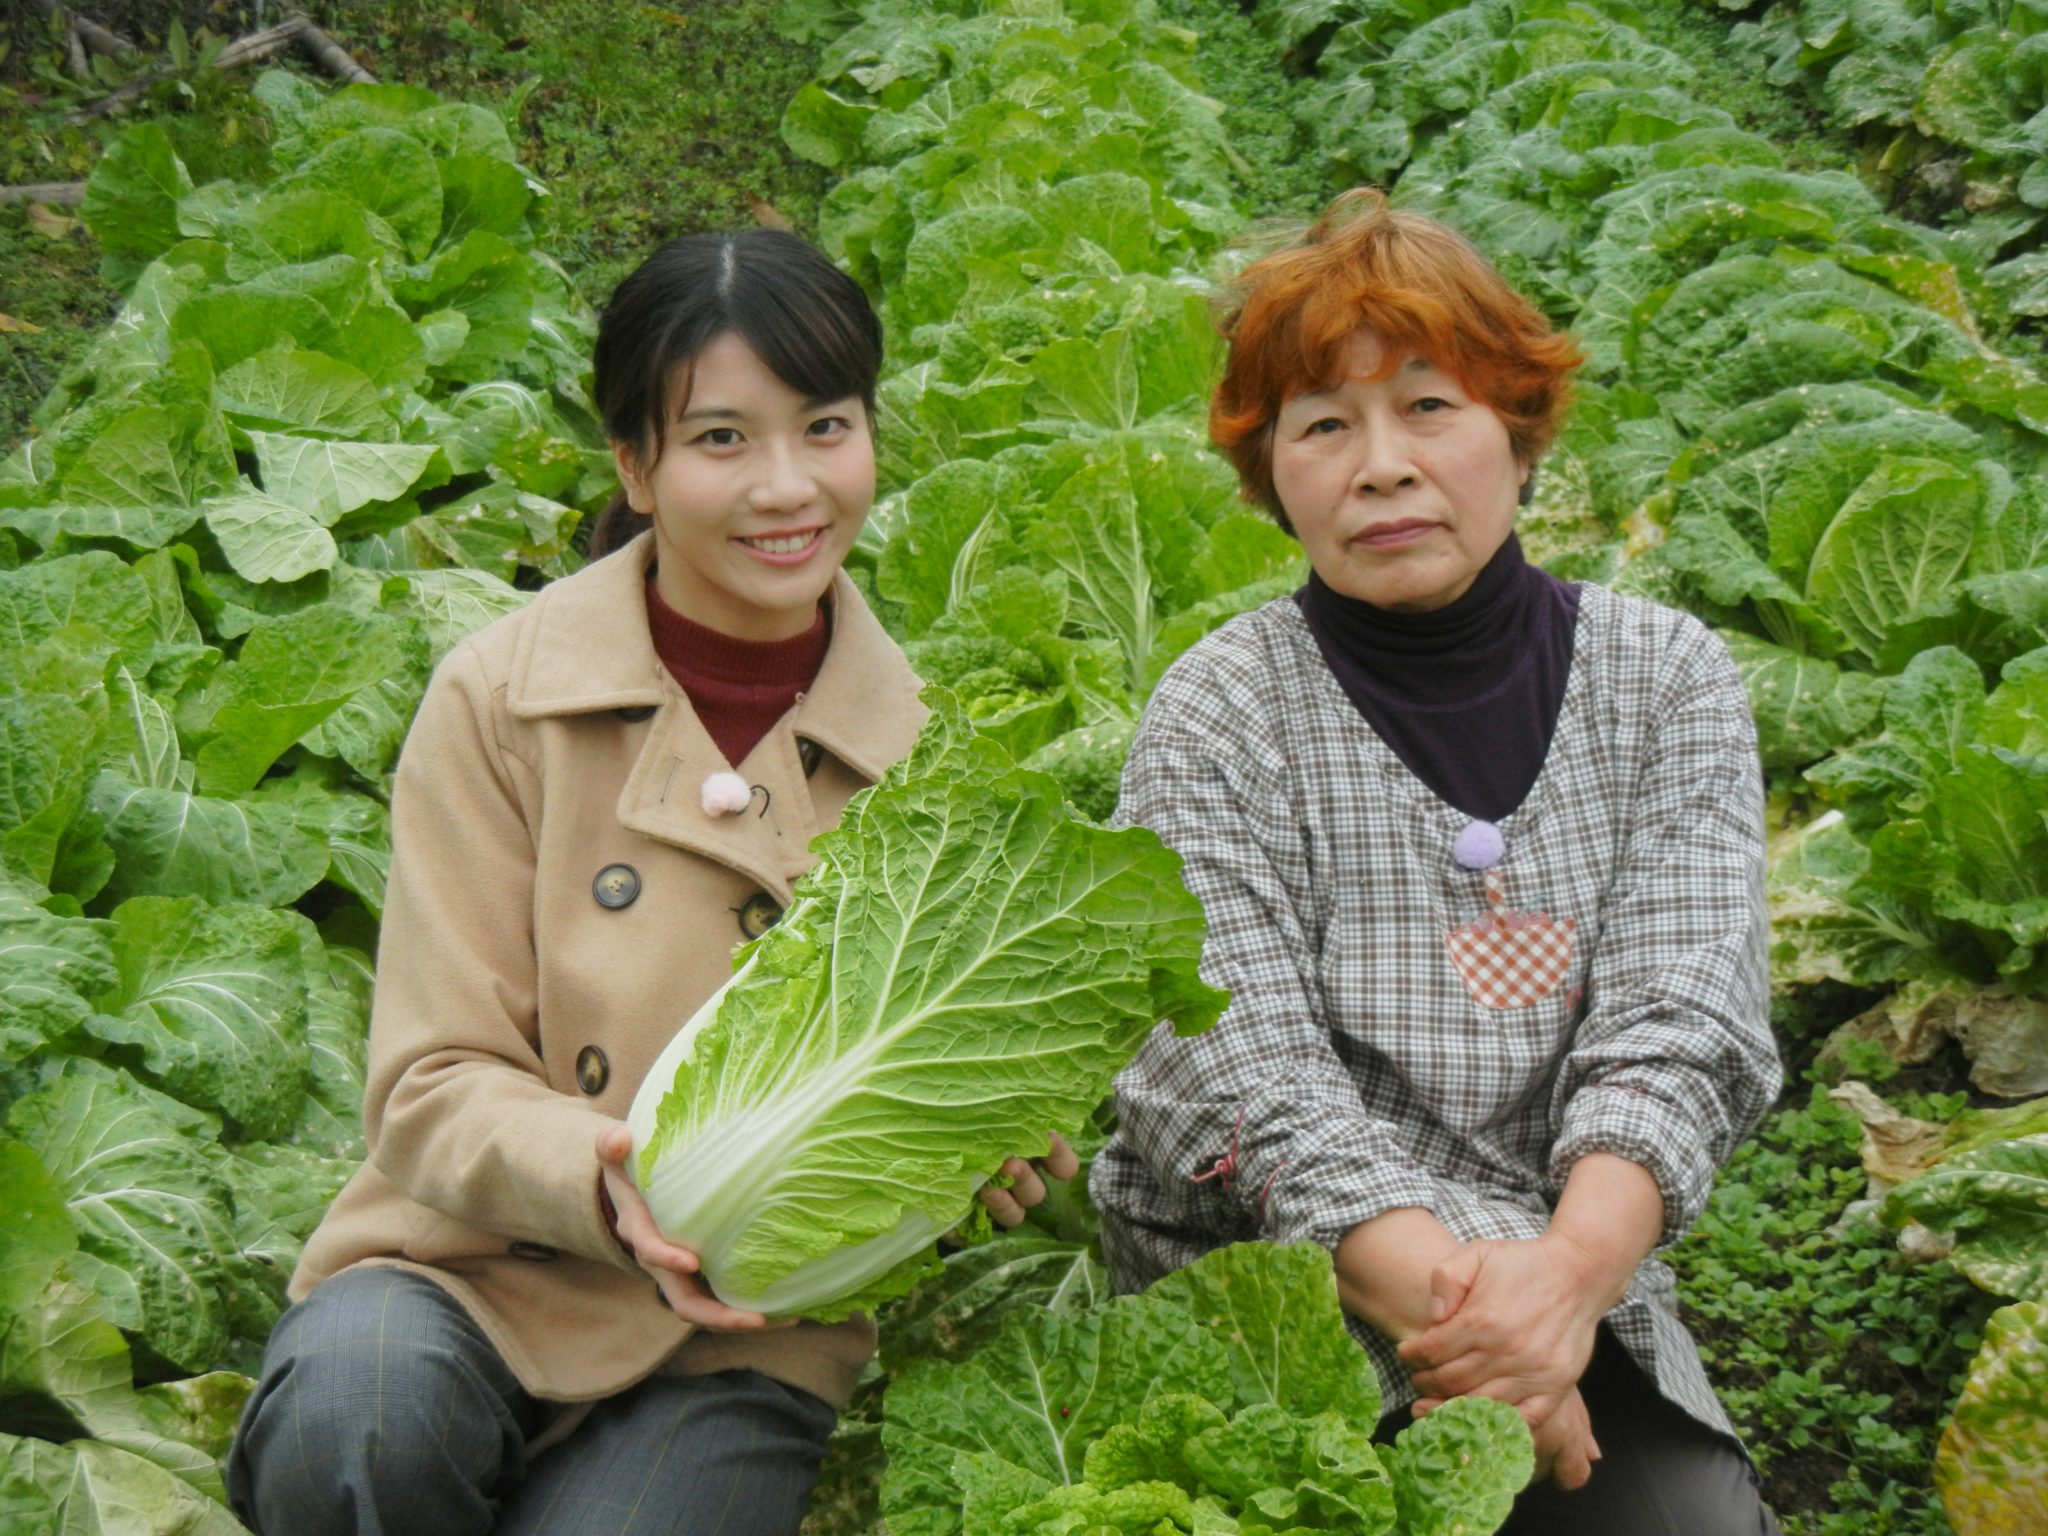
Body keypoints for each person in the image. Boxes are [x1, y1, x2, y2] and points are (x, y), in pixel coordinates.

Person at [227, 228, 1076, 1536]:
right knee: (360, 1424)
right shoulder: (504, 699)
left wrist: (971, 1150)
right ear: (635, 462)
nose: (787, 486)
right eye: (723, 439)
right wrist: (611, 1180)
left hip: (744, 1331)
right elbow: (427, 1085)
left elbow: (932, 1088)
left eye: (826, 427)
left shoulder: (930, 759)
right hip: (464, 1259)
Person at [1090, 189, 1785, 1534]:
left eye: (1429, 407)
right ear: (1270, 477)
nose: (1382, 465)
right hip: (1291, 1282)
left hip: (1565, 1257)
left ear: (1519, 439)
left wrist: (1568, 1285)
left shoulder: (1666, 678)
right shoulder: (1220, 710)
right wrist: (1482, 1340)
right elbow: (1239, 1088)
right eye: (1323, 426)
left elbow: (1680, 1026)